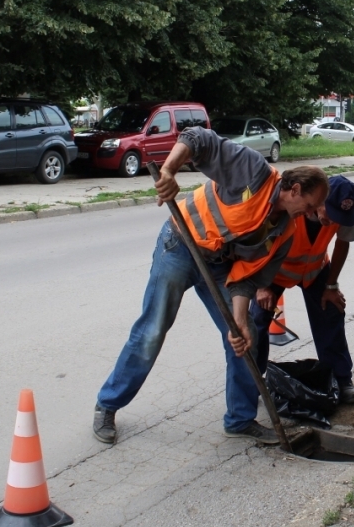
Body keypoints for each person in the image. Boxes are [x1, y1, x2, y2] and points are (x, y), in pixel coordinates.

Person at [93, 128, 329, 445]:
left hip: (218, 265)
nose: (315, 215)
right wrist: (168, 170)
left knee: (246, 338)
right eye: (312, 205)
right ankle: (108, 404)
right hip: (181, 245)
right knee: (153, 328)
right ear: (295, 190)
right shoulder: (253, 171)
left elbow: (247, 277)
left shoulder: (284, 231)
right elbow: (197, 138)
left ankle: (240, 420)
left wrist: (240, 323)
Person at [250, 176, 354, 404]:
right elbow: (255, 242)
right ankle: (253, 381)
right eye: (328, 212)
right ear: (319, 198)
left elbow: (343, 242)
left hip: (314, 269)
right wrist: (261, 286)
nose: (331, 220)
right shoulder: (292, 207)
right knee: (257, 320)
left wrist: (331, 285)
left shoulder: (345, 212)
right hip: (275, 271)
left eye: (338, 216)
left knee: (332, 310)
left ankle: (341, 378)